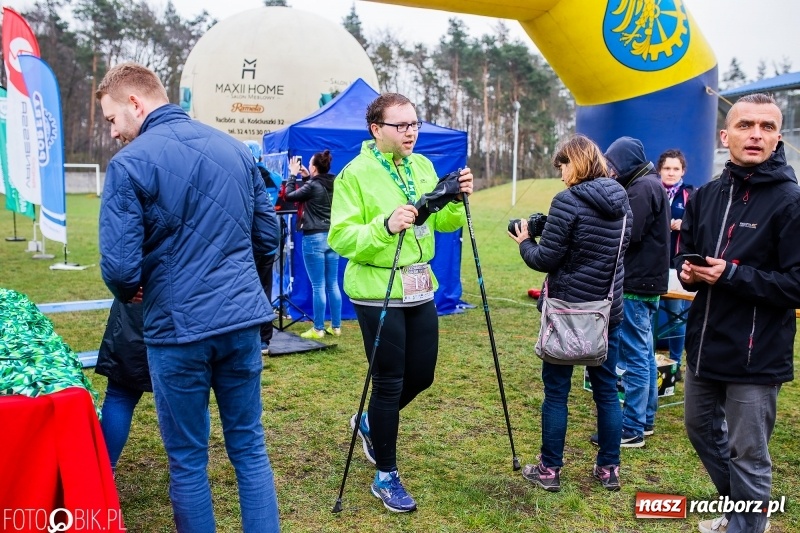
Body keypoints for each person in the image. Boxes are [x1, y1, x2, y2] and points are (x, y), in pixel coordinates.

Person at [96, 63, 281, 533]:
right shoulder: (236, 149)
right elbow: (267, 238)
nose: (114, 131)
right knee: (249, 447)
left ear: (135, 104)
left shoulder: (130, 164)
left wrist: (131, 286)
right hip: (238, 321)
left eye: (112, 119)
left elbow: (119, 269)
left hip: (179, 331)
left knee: (187, 460)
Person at [328, 92, 473, 513]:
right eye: (401, 125)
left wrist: (454, 198)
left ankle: (371, 422)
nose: (410, 132)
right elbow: (340, 237)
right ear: (377, 130)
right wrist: (384, 225)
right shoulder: (354, 175)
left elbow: (441, 223)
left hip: (418, 284)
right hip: (376, 289)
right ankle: (385, 475)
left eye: (414, 124)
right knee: (389, 381)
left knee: (422, 375)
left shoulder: (423, 165)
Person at [679, 93, 800, 533]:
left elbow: (796, 284)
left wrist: (730, 274)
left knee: (748, 454)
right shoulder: (707, 194)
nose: (756, 134)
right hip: (705, 345)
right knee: (699, 429)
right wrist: (689, 273)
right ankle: (745, 516)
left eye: (767, 127)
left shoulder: (790, 201)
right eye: (746, 125)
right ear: (724, 135)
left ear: (777, 138)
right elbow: (686, 255)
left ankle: (746, 526)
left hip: (757, 353)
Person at [509, 134, 631, 492]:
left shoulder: (567, 201)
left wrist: (525, 241)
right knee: (607, 392)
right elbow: (613, 249)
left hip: (566, 313)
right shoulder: (622, 200)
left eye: (561, 165)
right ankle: (609, 468)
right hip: (608, 311)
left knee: (557, 393)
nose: (560, 174)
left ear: (573, 163)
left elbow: (545, 259)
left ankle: (550, 470)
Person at [602, 136, 670, 448]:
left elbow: (629, 232)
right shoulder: (649, 184)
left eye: (614, 166)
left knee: (634, 356)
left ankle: (631, 427)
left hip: (636, 285)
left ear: (627, 162)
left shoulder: (643, 188)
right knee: (644, 353)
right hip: (645, 282)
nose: (611, 172)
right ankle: (646, 419)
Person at [284, 150, 343, 339]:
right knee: (332, 284)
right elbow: (317, 188)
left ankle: (318, 329)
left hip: (314, 238)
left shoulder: (312, 186)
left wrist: (293, 174)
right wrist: (307, 177)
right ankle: (336, 327)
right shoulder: (334, 183)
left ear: (315, 167)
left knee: (318, 286)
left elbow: (290, 195)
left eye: (310, 164)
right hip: (332, 237)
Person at [95, 294, 150, 472]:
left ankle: (104, 473)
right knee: (190, 399)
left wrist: (125, 285)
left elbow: (119, 271)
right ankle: (190, 472)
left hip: (136, 311)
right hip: (190, 312)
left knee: (121, 395)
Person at [657, 149, 693, 379]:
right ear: (659, 170)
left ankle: (676, 364)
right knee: (648, 315)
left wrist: (685, 224)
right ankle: (648, 361)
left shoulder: (691, 195)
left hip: (675, 265)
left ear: (683, 171)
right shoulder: (650, 190)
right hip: (652, 265)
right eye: (667, 168)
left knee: (675, 316)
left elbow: (701, 225)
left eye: (675, 169)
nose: (671, 173)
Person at [244, 140, 280, 355]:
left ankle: (255, 338)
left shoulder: (246, 177)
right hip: (269, 240)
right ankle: (264, 339)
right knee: (265, 289)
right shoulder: (273, 178)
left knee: (249, 290)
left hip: (250, 241)